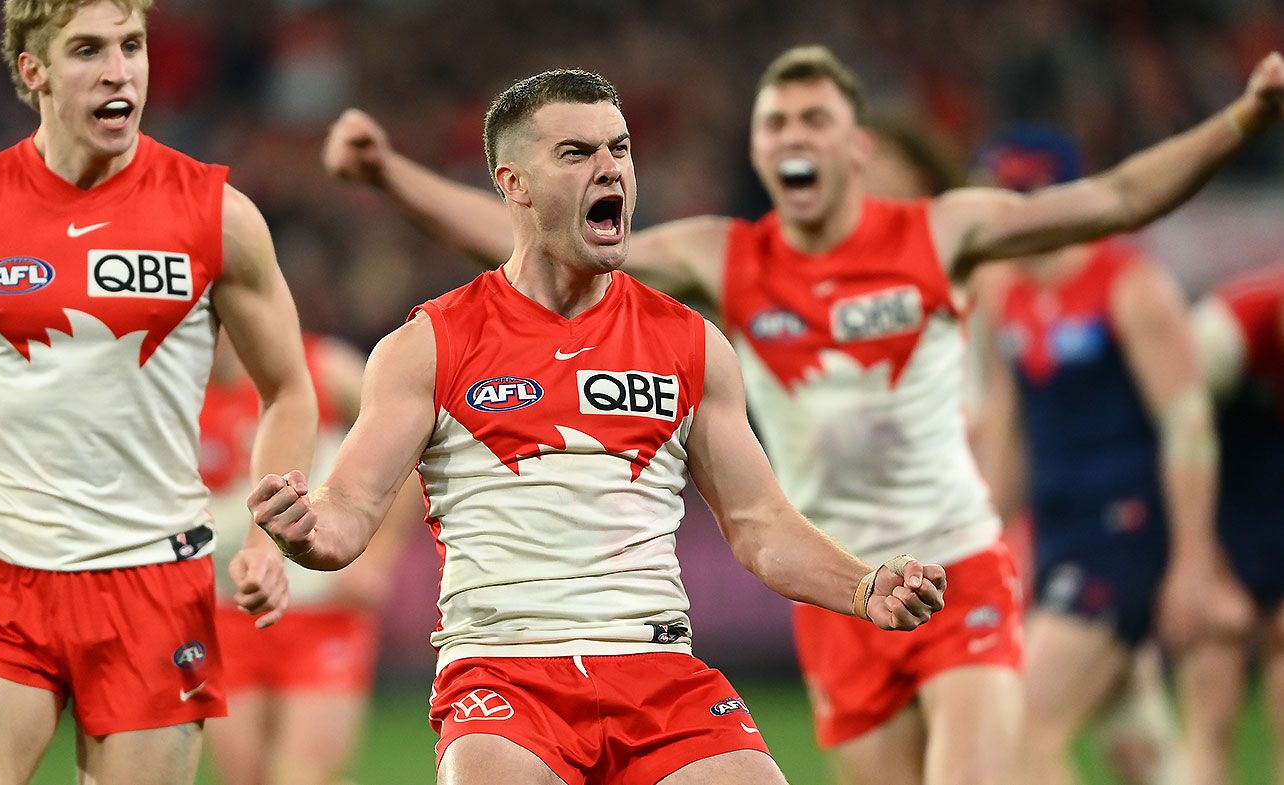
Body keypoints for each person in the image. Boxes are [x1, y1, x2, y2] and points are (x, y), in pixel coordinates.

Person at [317, 44, 1284, 785]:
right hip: (796, 593)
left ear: (855, 144)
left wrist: (1244, 119)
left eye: (814, 117)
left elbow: (1114, 198)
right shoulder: (721, 262)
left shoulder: (932, 236)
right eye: (774, 122)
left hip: (940, 561)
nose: (792, 138)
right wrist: (394, 176)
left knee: (1007, 748)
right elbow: (524, 248)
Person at [251, 68, 947, 785]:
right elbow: (350, 512)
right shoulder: (430, 344)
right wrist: (303, 528)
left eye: (619, 148)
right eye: (577, 153)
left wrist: (864, 587)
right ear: (514, 182)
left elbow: (760, 523)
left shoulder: (691, 343)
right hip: (505, 675)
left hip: (660, 671)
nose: (610, 167)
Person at [0, 2, 317, 784]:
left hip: (154, 585)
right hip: (3, 577)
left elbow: (288, 389)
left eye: (133, 46)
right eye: (88, 50)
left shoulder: (215, 214)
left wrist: (266, 536)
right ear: (34, 70)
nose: (120, 70)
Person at [966, 126, 1244, 785]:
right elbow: (1009, 431)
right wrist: (980, 535)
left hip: (1124, 529)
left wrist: (1195, 559)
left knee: (1025, 726)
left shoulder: (1129, 285)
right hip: (1063, 534)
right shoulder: (1008, 294)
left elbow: (1188, 427)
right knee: (1139, 751)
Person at [200, 330, 422, 785]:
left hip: (323, 609)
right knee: (244, 779)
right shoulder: (177, 392)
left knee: (305, 778)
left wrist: (376, 558)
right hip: (225, 613)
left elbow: (409, 449)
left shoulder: (324, 369)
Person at [1187, 265, 1284, 785]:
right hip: (1220, 504)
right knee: (1212, 708)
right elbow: (1175, 447)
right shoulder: (1221, 335)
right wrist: (1201, 561)